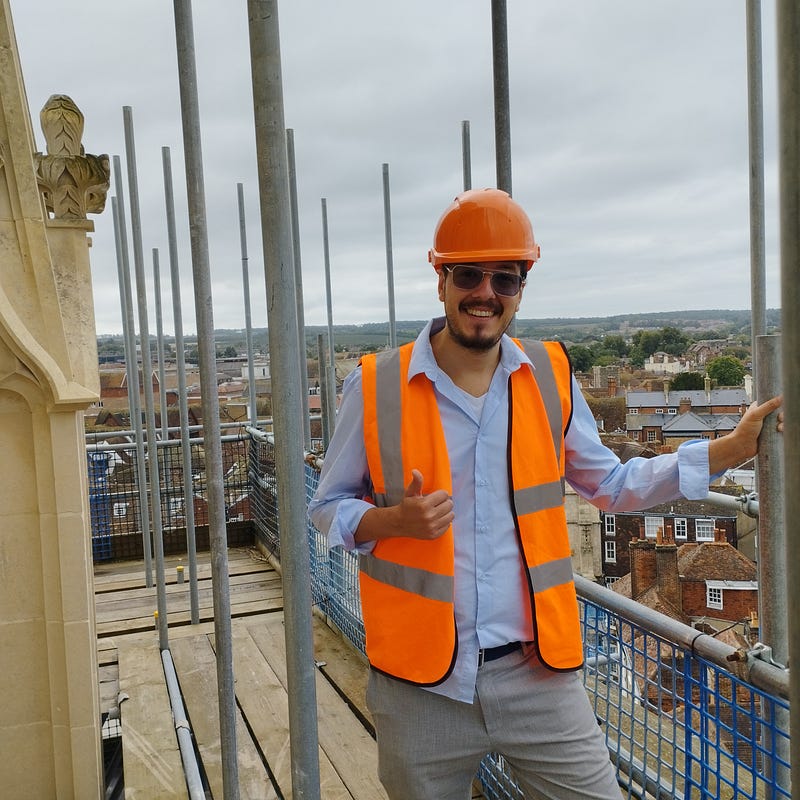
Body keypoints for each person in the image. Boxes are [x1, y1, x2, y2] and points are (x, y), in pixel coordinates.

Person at [308, 188, 782, 800]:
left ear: (522, 286)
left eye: (504, 278)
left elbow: (610, 486)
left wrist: (726, 452)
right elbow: (326, 508)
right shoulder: (375, 387)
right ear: (441, 278)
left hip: (537, 675)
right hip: (419, 686)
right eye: (469, 274)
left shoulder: (550, 377)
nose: (486, 293)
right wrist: (387, 521)